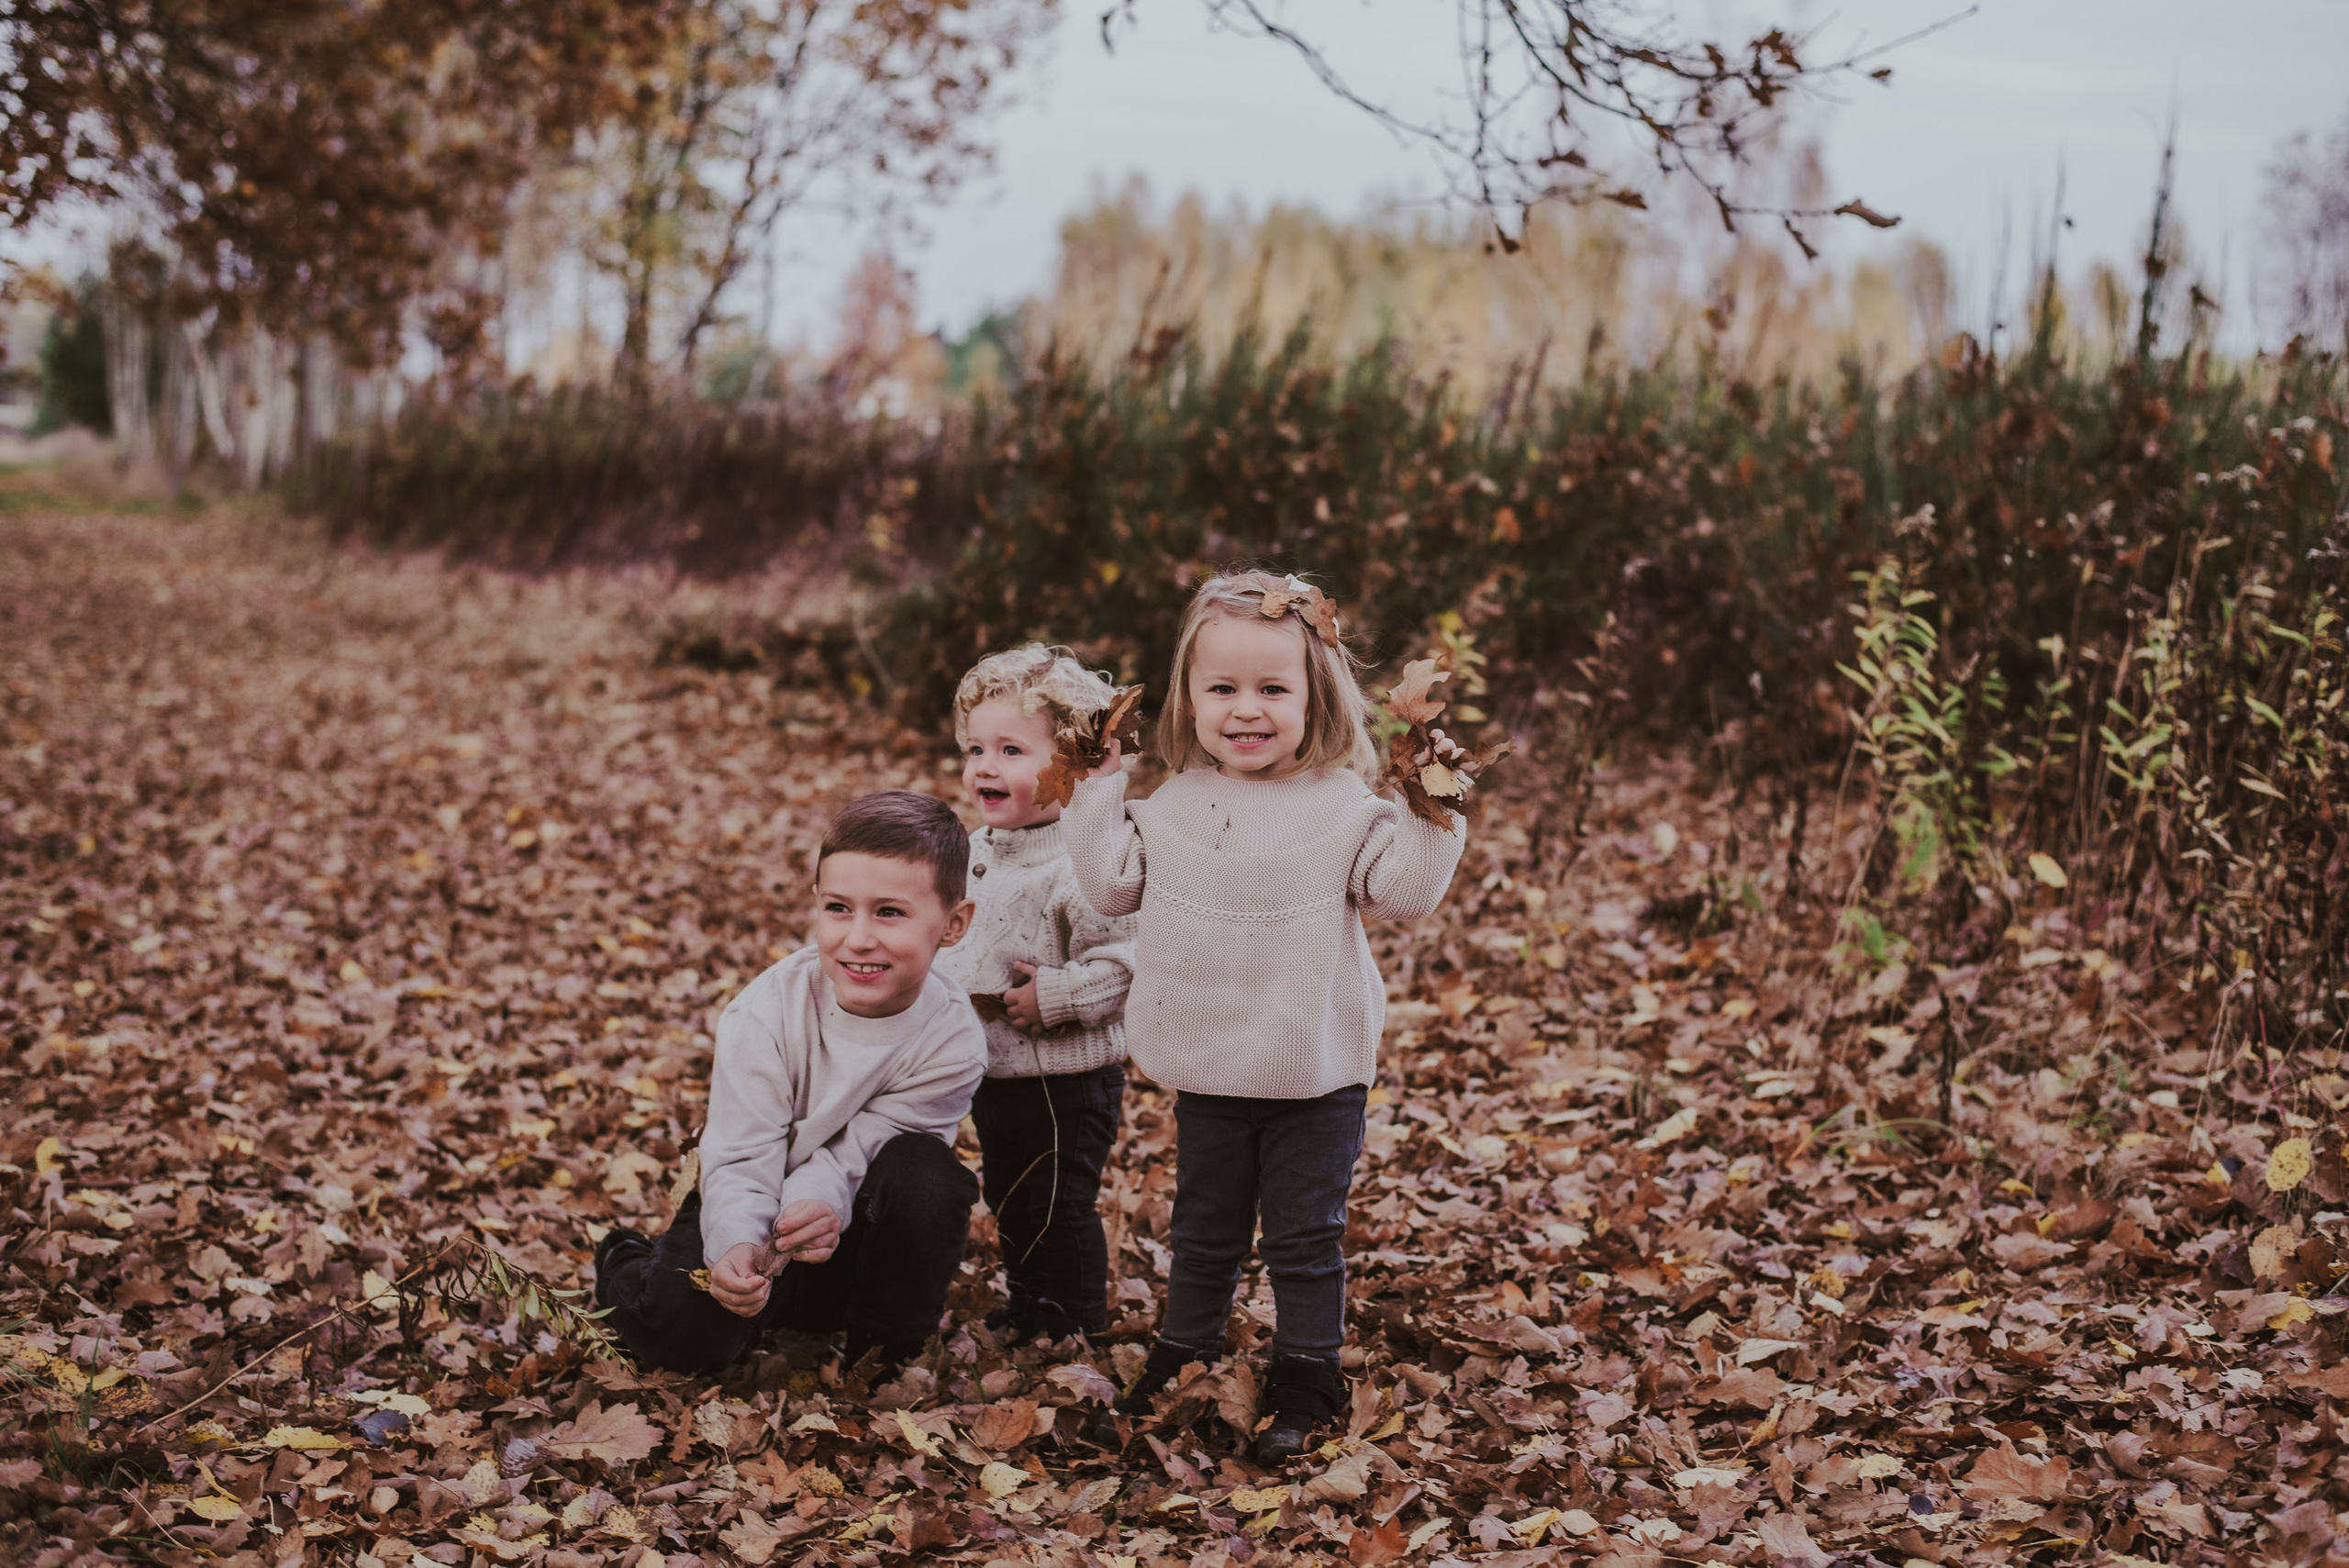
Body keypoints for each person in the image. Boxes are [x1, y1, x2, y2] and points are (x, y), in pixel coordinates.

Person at [1062, 568, 1467, 1464]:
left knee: (1301, 1235)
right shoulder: (1172, 804)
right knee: (1203, 1227)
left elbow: (1404, 892)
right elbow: (1106, 882)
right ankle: (1186, 1345)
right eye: (1223, 688)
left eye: (1272, 688)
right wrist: (1099, 785)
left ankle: (1306, 1371)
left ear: (1314, 693)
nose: (1246, 708)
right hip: (1212, 1066)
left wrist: (1434, 797)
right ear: (1189, 696)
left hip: (1313, 1068)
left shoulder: (1341, 810)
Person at [593, 791, 987, 1378]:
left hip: (851, 1221)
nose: (858, 937)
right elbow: (743, 1152)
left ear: (953, 923)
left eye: (890, 912)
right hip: (748, 1192)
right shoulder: (766, 1014)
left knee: (927, 1173)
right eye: (838, 908)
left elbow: (872, 1147)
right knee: (678, 1346)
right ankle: (626, 1260)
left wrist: (818, 1203)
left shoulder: (951, 1038)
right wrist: (736, 1244)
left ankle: (882, 1353)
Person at [938, 645, 1137, 1345]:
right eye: (976, 748)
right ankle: (1026, 1302)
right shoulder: (974, 849)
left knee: (1061, 1204)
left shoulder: (1085, 859)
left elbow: (1126, 961)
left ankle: (1072, 1320)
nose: (985, 766)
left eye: (1012, 750)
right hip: (996, 1070)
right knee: (1012, 1199)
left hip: (1069, 1078)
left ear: (1071, 767)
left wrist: (1056, 995)